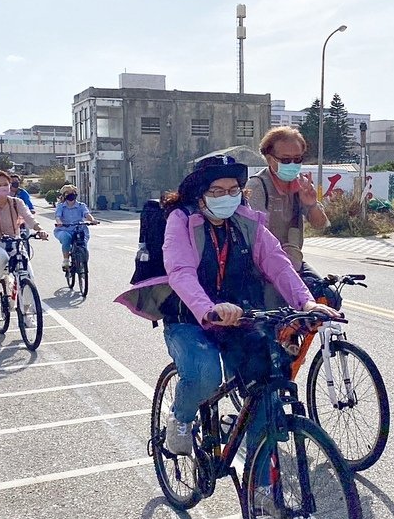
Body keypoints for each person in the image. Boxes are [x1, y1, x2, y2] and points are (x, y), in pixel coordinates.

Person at [115, 155, 339, 488]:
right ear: (199, 194)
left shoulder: (249, 222)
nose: (227, 197)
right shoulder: (181, 219)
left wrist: (305, 301)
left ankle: (261, 491)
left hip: (242, 318)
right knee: (205, 375)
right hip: (190, 317)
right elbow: (180, 271)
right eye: (217, 190)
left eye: (233, 189)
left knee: (266, 387)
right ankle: (179, 418)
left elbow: (278, 265)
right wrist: (208, 308)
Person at [245, 127, 328, 287]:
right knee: (277, 305)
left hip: (293, 262)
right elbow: (256, 236)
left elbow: (321, 224)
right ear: (270, 159)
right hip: (261, 267)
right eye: (286, 160)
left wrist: (311, 204)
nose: (292, 164)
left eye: (297, 159)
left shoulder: (301, 185)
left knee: (329, 296)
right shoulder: (257, 186)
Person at [0, 171, 48, 300]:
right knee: (1, 257)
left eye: (5, 184)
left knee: (28, 276)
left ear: (10, 185)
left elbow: (28, 217)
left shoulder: (17, 202)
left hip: (14, 241)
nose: (2, 187)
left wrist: (40, 229)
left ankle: (27, 313)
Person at [53, 184, 96, 271]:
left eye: (73, 192)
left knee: (83, 244)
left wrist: (92, 220)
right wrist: (59, 222)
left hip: (80, 229)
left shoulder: (81, 205)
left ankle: (83, 266)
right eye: (68, 193)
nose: (71, 194)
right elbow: (57, 216)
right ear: (64, 195)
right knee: (66, 238)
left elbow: (86, 214)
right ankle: (66, 260)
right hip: (65, 229)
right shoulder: (61, 206)